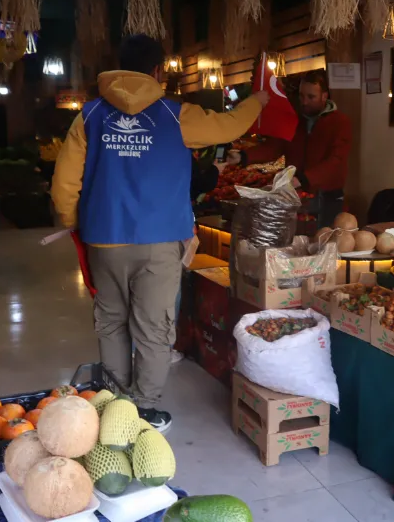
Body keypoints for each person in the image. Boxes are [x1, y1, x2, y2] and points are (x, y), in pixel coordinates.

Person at [51, 34, 268, 432]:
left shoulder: (89, 116)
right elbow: (230, 126)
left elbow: (64, 184)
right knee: (153, 327)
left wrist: (75, 222)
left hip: (105, 238)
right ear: (156, 71)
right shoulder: (175, 115)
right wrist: (258, 100)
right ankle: (143, 409)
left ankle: (117, 406)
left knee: (112, 321)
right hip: (161, 239)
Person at [231, 70, 352, 227]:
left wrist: (304, 178)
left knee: (324, 243)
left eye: (311, 97)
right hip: (296, 196)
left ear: (324, 96)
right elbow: (274, 147)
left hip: (328, 197)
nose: (305, 102)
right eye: (302, 96)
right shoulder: (294, 120)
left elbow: (335, 160)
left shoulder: (340, 122)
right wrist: (243, 156)